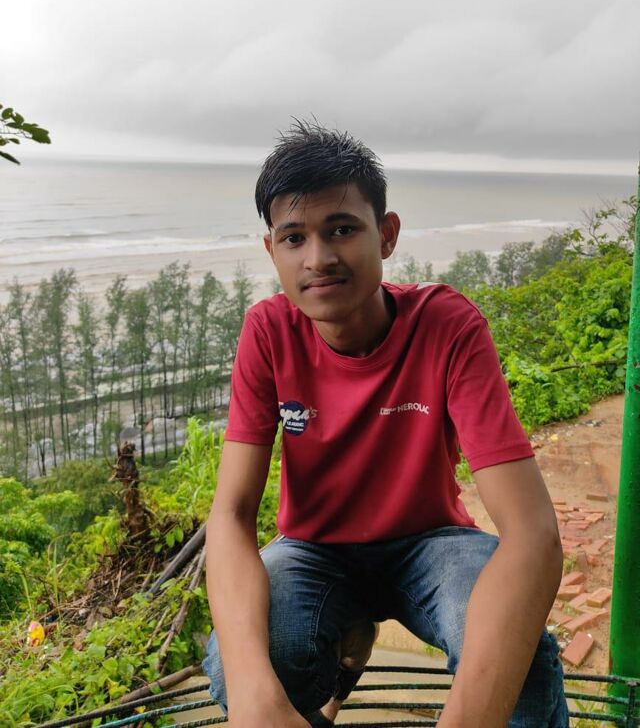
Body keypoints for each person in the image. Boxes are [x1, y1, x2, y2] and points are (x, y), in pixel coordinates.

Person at [202, 120, 568, 727]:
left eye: (342, 229)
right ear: (272, 251)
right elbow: (232, 515)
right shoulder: (268, 333)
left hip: (431, 543)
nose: (318, 258)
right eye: (294, 237)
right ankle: (339, 664)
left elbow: (533, 533)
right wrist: (254, 698)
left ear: (387, 234)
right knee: (245, 667)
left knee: (520, 655)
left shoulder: (446, 325)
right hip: (314, 549)